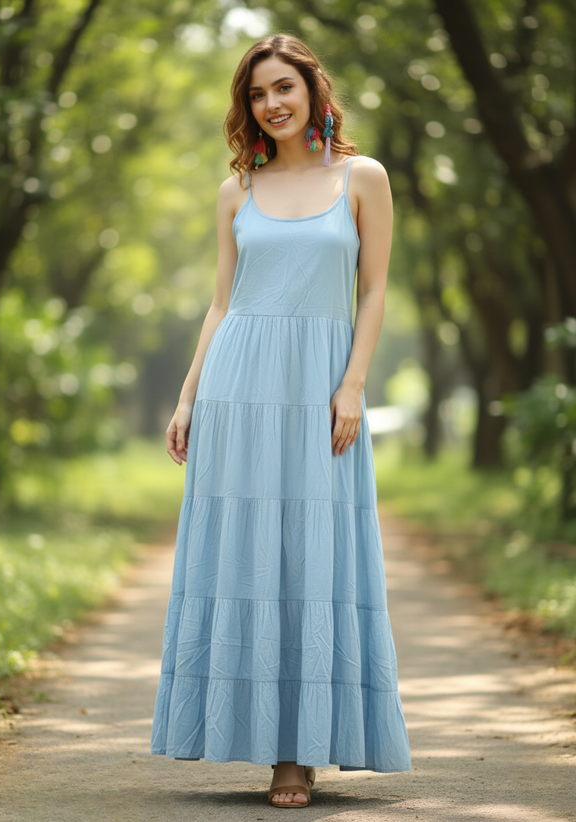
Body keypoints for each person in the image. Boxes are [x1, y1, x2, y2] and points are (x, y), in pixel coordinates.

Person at [150, 33, 412, 808]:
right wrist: (189, 396)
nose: (272, 104)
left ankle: (308, 743)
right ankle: (277, 757)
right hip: (239, 389)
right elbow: (222, 303)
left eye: (283, 88)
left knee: (315, 554)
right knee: (252, 560)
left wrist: (353, 384)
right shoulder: (237, 190)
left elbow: (372, 291)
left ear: (313, 90)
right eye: (258, 94)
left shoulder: (362, 178)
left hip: (320, 388)